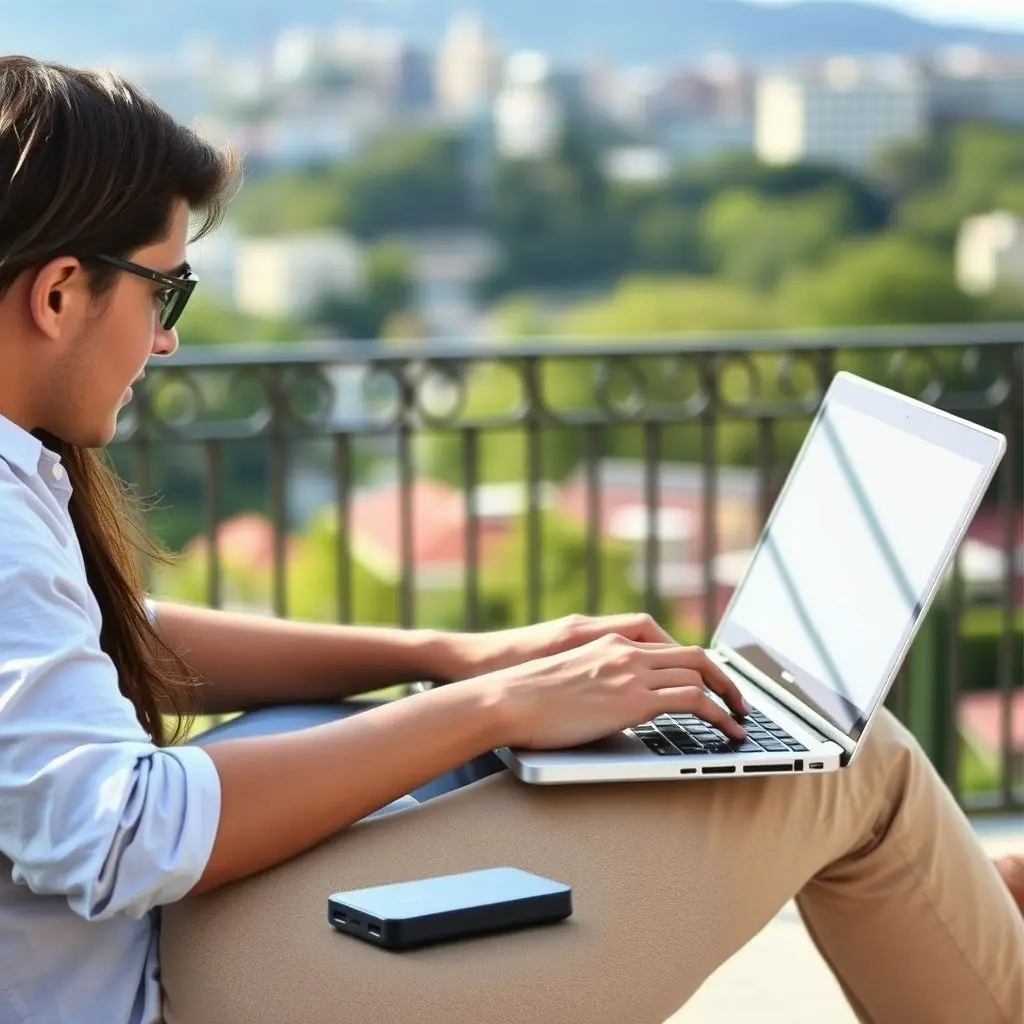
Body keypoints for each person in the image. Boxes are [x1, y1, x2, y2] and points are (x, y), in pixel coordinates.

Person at [0, 55, 1020, 1024]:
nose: (167, 337)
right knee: (851, 767)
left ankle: (963, 896)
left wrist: (454, 660)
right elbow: (127, 833)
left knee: (787, 773)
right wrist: (493, 703)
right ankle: (966, 903)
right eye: (162, 291)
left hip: (160, 945)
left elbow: (110, 635)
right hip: (154, 982)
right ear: (57, 294)